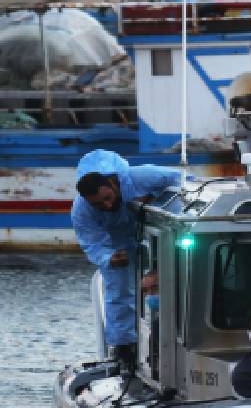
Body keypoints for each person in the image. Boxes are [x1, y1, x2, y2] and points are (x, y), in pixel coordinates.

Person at [71, 150, 181, 367]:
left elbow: (183, 182)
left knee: (175, 276)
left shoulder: (142, 177)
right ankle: (124, 347)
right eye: (98, 204)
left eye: (108, 198)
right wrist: (108, 257)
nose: (107, 206)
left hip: (159, 233)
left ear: (114, 183)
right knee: (118, 289)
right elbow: (91, 241)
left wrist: (156, 199)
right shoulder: (81, 211)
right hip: (119, 244)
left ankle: (175, 332)